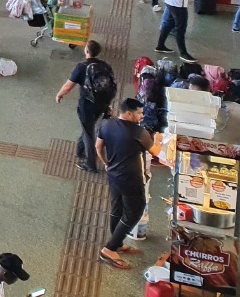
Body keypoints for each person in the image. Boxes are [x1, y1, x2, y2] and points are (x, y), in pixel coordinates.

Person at [96, 98, 163, 270]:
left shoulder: (106, 124)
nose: (141, 116)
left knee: (117, 208)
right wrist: (160, 140)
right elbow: (156, 152)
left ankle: (116, 243)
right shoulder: (139, 132)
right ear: (128, 113)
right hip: (131, 179)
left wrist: (106, 163)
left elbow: (98, 146)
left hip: (113, 175)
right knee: (134, 212)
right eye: (139, 113)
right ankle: (109, 249)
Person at [55, 40, 116, 173]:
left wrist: (59, 94)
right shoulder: (105, 66)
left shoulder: (82, 67)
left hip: (87, 105)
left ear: (87, 51)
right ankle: (80, 150)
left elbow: (68, 85)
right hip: (102, 104)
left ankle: (91, 164)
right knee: (87, 127)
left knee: (89, 133)